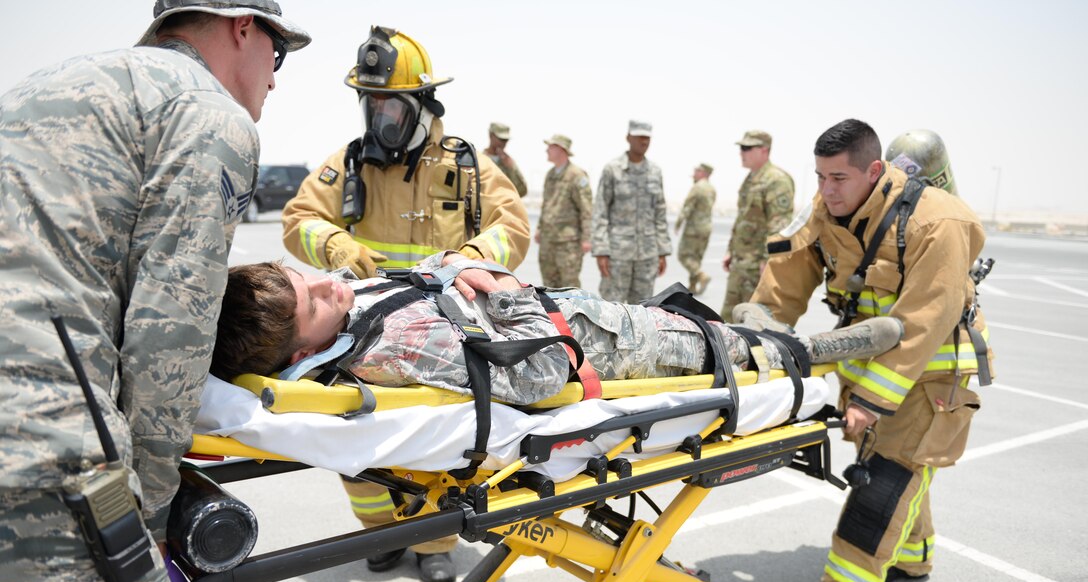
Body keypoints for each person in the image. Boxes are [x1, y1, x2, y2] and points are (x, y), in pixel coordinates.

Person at [0, 1, 309, 582]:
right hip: (37, 445)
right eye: (279, 54)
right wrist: (155, 514)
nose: (275, 78)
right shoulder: (207, 113)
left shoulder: (55, 85)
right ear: (242, 29)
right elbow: (168, 337)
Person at [281, 26, 531, 582]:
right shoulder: (348, 163)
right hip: (364, 327)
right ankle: (381, 533)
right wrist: (336, 246)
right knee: (355, 443)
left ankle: (435, 544)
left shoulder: (468, 165)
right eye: (370, 104)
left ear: (422, 104)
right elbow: (300, 218)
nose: (379, 117)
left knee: (432, 441)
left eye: (390, 104)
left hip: (443, 324)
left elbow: (511, 226)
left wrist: (471, 257)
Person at [742, 119, 992, 582]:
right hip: (872, 363)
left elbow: (926, 319)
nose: (826, 190)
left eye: (839, 178)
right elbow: (785, 278)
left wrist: (872, 401)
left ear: (875, 172)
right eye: (819, 177)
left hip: (931, 372)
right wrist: (756, 340)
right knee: (898, 466)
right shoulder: (826, 207)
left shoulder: (939, 222)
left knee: (888, 475)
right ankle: (913, 556)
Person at [211, 252, 904, 408]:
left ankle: (759, 330)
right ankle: (805, 351)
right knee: (723, 350)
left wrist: (451, 265)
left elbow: (413, 277)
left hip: (583, 314)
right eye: (316, 301)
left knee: (701, 322)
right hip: (604, 345)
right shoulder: (390, 353)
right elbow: (542, 378)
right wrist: (507, 288)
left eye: (311, 276)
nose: (332, 282)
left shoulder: (347, 308)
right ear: (303, 350)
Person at [591, 120, 670, 304]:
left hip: (647, 255)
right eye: (640, 137)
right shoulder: (613, 170)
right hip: (617, 255)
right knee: (611, 308)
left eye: (647, 138)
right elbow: (600, 210)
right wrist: (601, 250)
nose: (644, 141)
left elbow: (660, 212)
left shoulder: (655, 172)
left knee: (643, 309)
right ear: (628, 137)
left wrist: (662, 251)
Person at [722, 130, 794, 321]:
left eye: (747, 148)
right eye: (741, 148)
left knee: (755, 326)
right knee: (727, 325)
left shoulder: (776, 180)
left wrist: (769, 260)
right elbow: (742, 219)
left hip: (758, 270)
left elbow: (779, 226)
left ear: (764, 150)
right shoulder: (750, 179)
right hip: (741, 265)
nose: (741, 153)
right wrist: (731, 251)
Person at [536, 134, 593, 288]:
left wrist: (586, 238)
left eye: (550, 146)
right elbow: (547, 204)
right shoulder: (550, 174)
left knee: (570, 287)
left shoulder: (577, 175)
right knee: (548, 287)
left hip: (568, 244)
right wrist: (540, 229)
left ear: (561, 149)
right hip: (548, 241)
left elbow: (586, 209)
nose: (547, 150)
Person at [675, 163, 717, 295]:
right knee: (696, 257)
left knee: (684, 255)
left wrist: (678, 223)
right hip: (706, 228)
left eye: (697, 171)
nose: (694, 173)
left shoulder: (697, 187)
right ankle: (692, 285)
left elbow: (688, 207)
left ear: (704, 173)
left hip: (694, 228)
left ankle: (701, 275)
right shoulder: (712, 189)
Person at [484, 122, 529, 197]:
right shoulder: (480, 160)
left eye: (506, 140)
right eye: (501, 139)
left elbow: (522, 191)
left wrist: (511, 169)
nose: (503, 143)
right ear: (491, 136)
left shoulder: (508, 162)